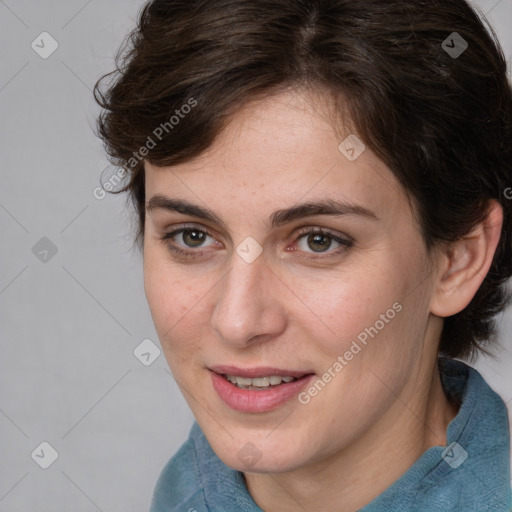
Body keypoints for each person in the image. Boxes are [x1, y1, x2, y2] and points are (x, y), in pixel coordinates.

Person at [94, 0, 512, 510]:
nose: (237, 320)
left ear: (457, 260)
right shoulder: (189, 488)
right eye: (193, 236)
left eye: (319, 240)